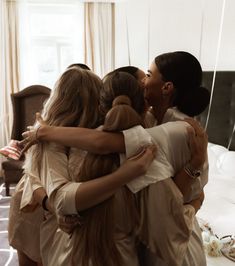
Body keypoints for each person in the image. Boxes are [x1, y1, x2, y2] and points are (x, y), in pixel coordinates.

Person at [21, 52, 209, 266]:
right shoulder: (150, 123)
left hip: (172, 242)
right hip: (157, 236)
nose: (143, 83)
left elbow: (104, 142)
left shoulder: (176, 131)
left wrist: (44, 132)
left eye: (148, 75)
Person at [8, 66, 156, 266]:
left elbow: (103, 143)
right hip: (36, 205)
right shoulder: (49, 142)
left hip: (63, 223)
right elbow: (38, 179)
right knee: (29, 249)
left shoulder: (106, 135)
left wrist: (45, 133)